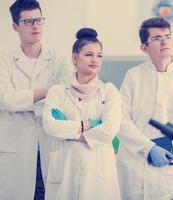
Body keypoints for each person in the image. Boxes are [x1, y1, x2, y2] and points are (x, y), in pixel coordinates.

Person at [0, 0, 70, 199]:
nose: (35, 26)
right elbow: (5, 99)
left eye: (39, 20)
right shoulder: (4, 61)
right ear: (15, 26)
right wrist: (47, 92)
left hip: (47, 146)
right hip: (14, 149)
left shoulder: (59, 62)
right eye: (29, 22)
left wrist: (25, 99)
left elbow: (65, 98)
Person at [116, 17, 173, 200]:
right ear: (144, 47)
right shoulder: (133, 76)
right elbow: (120, 120)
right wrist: (148, 147)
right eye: (157, 38)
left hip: (168, 168)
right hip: (134, 166)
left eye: (167, 36)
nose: (165, 41)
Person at [42, 28, 122, 200]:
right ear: (74, 57)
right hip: (65, 171)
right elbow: (50, 126)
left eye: (99, 55)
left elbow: (109, 130)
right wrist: (85, 125)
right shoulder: (57, 92)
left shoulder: (109, 92)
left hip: (98, 174)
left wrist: (70, 132)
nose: (95, 60)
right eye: (88, 54)